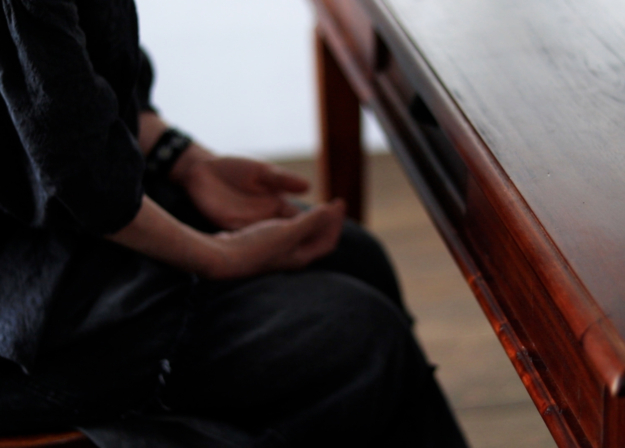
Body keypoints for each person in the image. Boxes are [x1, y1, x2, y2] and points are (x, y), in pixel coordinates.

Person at [0, 1, 469, 446]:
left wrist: (185, 161)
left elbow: (71, 100)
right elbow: (80, 182)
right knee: (360, 335)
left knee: (354, 254)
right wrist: (221, 256)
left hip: (66, 236)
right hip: (26, 327)